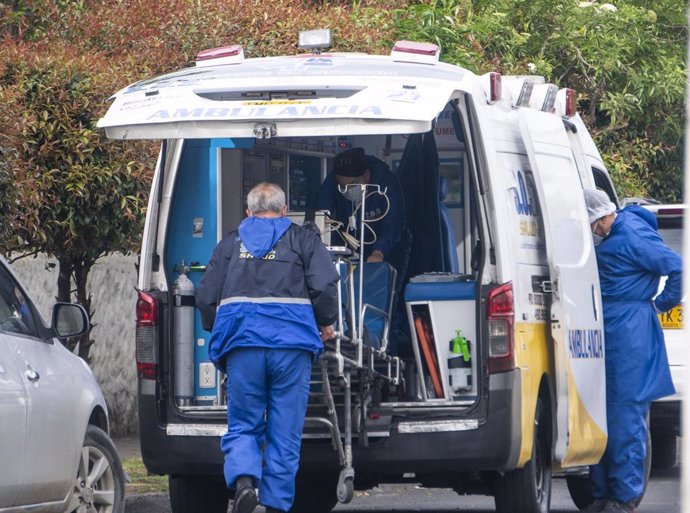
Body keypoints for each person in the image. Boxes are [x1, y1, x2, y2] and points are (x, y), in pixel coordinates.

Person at [196, 182, 339, 513]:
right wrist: (326, 321)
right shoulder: (303, 239)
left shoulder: (230, 244)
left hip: (243, 347)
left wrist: (217, 327)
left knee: (244, 422)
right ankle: (276, 504)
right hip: (291, 349)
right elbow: (324, 285)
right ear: (284, 210)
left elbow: (205, 297)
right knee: (284, 430)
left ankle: (245, 482)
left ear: (249, 213)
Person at [582, 189, 683, 513]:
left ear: (602, 216)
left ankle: (623, 499)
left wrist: (660, 305)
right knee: (601, 417)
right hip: (611, 331)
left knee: (624, 419)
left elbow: (678, 267)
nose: (593, 230)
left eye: (593, 224)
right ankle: (601, 494)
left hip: (630, 335)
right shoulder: (614, 234)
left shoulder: (632, 233)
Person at [314, 147, 410, 273]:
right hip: (350, 245)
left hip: (388, 248)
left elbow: (393, 222)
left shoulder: (386, 183)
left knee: (383, 285)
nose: (347, 190)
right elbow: (322, 215)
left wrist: (379, 251)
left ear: (366, 176)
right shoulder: (332, 181)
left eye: (352, 184)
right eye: (343, 186)